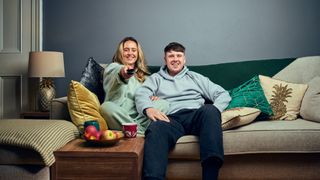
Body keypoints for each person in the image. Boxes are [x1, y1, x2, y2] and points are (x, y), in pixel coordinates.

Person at [135, 42, 231, 180]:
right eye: (171, 56)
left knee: (210, 110)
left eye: (179, 55)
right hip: (170, 119)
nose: (175, 59)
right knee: (155, 128)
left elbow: (222, 94)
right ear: (165, 59)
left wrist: (215, 111)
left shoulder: (195, 77)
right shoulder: (155, 79)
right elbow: (141, 94)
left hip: (196, 116)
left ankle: (210, 175)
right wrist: (148, 108)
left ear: (184, 59)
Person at [100, 37, 168, 135]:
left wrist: (153, 97)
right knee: (105, 107)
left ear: (138, 53)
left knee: (163, 103)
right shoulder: (113, 67)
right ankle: (140, 133)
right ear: (120, 53)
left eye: (133, 50)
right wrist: (124, 73)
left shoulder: (145, 77)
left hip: (141, 116)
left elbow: (147, 96)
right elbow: (118, 72)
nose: (130, 53)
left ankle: (133, 131)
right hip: (118, 115)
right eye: (126, 50)